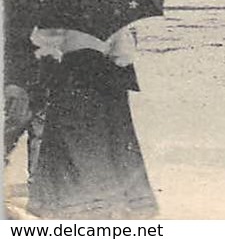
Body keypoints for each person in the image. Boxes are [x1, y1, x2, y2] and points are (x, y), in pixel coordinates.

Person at [28, 25, 157, 218]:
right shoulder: (111, 15)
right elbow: (123, 56)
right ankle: (103, 197)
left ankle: (69, 197)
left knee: (68, 141)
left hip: (68, 81)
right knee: (107, 140)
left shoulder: (57, 14)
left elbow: (42, 46)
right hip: (103, 83)